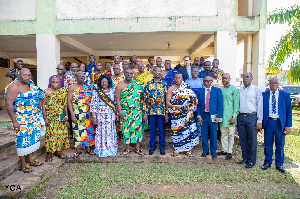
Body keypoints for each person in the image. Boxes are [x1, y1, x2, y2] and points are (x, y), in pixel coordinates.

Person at [5, 68, 45, 173]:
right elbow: (9, 105)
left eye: (28, 75)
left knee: (32, 138)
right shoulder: (14, 87)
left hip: (33, 118)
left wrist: (40, 104)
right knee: (22, 140)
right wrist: (14, 121)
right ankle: (23, 164)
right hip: (21, 119)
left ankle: (30, 160)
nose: (26, 77)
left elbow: (40, 94)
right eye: (24, 75)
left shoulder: (31, 85)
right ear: (19, 75)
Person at [261, 77, 292, 173]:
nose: (273, 85)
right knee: (268, 143)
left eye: (275, 83)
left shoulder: (285, 95)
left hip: (279, 123)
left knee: (280, 144)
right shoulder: (264, 95)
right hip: (269, 122)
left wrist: (288, 126)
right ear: (269, 84)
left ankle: (279, 164)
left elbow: (288, 112)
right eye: (271, 83)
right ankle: (267, 162)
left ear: (278, 84)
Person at [166, 73, 199, 157]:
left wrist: (189, 106)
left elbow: (194, 99)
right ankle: (177, 150)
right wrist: (174, 106)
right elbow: (167, 102)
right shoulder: (171, 88)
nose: (178, 79)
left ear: (182, 78)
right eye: (176, 78)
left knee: (187, 132)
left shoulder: (186, 87)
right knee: (176, 132)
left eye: (179, 78)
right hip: (176, 115)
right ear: (174, 79)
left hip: (187, 114)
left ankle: (188, 150)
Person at [115, 68, 145, 156]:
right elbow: (117, 100)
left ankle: (137, 148)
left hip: (136, 111)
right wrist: (119, 112)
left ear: (133, 74)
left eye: (130, 73)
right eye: (127, 73)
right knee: (126, 130)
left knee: (138, 130)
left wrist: (144, 112)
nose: (129, 75)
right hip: (125, 112)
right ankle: (127, 149)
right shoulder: (120, 85)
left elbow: (142, 99)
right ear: (124, 73)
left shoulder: (137, 84)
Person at [237, 72, 263, 168]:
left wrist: (259, 121)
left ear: (251, 78)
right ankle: (245, 158)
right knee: (243, 139)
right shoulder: (240, 90)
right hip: (241, 117)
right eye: (244, 77)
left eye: (247, 77)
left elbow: (260, 106)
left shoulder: (256, 90)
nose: (245, 79)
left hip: (251, 117)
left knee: (252, 140)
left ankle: (251, 160)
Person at [42, 76, 70, 162]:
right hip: (51, 116)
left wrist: (66, 116)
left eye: (57, 82)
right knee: (51, 135)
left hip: (61, 115)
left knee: (60, 134)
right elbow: (43, 106)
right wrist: (45, 118)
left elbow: (65, 105)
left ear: (59, 83)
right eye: (53, 82)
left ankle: (58, 151)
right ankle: (49, 153)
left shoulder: (62, 92)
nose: (55, 84)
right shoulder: (46, 91)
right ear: (50, 82)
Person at [67, 71, 95, 157]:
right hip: (77, 112)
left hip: (88, 112)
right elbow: (69, 102)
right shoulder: (72, 88)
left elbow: (93, 100)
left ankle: (88, 148)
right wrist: (71, 114)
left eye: (83, 76)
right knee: (77, 131)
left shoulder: (89, 87)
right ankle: (78, 149)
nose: (82, 77)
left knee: (88, 131)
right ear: (76, 77)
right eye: (80, 76)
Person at [91, 74, 118, 157]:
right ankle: (101, 150)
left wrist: (117, 114)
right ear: (100, 83)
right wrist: (94, 117)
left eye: (105, 82)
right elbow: (93, 105)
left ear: (108, 82)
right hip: (100, 116)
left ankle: (111, 149)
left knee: (110, 132)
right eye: (102, 82)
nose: (104, 83)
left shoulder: (113, 91)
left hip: (110, 116)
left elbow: (116, 104)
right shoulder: (96, 92)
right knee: (101, 133)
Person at [143, 67, 168, 155]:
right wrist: (145, 112)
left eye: (159, 71)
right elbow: (145, 99)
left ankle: (162, 147)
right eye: (156, 71)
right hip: (151, 111)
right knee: (152, 130)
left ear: (161, 72)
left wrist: (166, 113)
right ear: (153, 72)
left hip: (161, 111)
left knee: (161, 130)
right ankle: (152, 147)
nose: (157, 72)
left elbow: (166, 99)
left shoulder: (164, 84)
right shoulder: (148, 84)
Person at [197, 76, 223, 159]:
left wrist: (218, 116)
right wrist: (198, 115)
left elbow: (220, 104)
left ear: (211, 81)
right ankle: (205, 151)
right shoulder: (200, 92)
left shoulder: (217, 91)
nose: (207, 82)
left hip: (213, 116)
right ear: (203, 82)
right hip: (204, 115)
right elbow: (198, 105)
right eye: (205, 81)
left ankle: (213, 151)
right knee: (204, 133)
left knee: (213, 134)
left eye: (209, 81)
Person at [217, 73, 239, 160]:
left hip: (231, 117)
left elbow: (236, 104)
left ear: (230, 79)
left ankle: (230, 151)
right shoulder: (220, 89)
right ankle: (224, 150)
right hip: (222, 116)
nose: (224, 80)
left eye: (226, 78)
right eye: (223, 78)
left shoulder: (234, 89)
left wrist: (234, 116)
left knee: (230, 134)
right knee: (223, 134)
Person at [186, 68, 204, 137]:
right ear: (191, 73)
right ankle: (191, 135)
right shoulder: (187, 81)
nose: (195, 73)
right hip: (190, 104)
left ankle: (199, 135)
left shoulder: (201, 81)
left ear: (198, 73)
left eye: (196, 71)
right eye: (193, 71)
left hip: (200, 104)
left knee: (199, 120)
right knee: (191, 120)